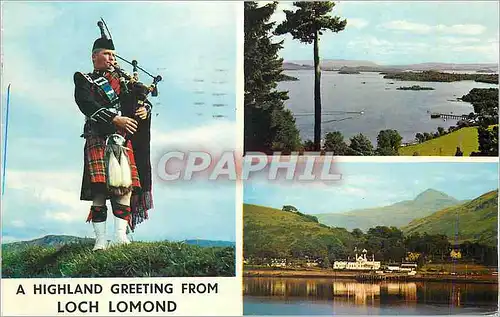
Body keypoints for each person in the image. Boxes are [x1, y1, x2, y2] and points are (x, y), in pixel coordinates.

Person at [73, 36, 154, 251]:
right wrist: (113, 119)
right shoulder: (84, 79)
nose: (111, 58)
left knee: (124, 188)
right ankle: (101, 240)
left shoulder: (125, 83)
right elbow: (86, 104)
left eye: (114, 56)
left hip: (123, 140)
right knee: (99, 189)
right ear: (94, 56)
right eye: (107, 54)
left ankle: (120, 237)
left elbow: (142, 103)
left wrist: (145, 109)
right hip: (98, 137)